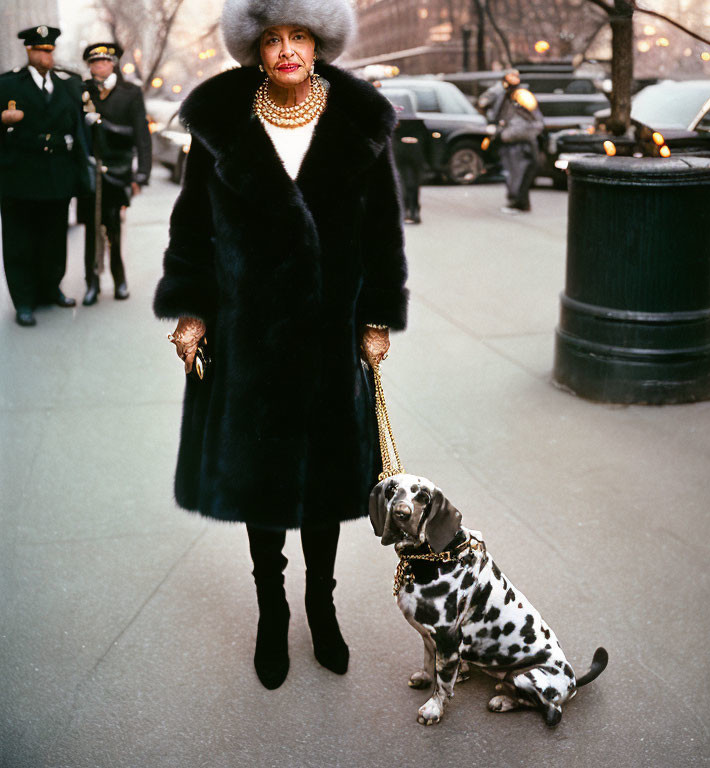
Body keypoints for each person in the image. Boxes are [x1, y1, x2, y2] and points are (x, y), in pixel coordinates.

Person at [153, 0, 409, 691]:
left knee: (325, 482)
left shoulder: (359, 123)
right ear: (255, 50)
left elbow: (384, 230)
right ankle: (272, 613)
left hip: (331, 333)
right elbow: (192, 230)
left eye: (299, 36)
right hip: (248, 334)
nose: (287, 49)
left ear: (320, 43)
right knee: (261, 482)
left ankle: (321, 611)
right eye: (273, 39)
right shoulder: (222, 125)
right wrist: (192, 312)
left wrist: (377, 316)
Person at [0, 25, 90, 327]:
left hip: (57, 178)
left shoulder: (67, 86)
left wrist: (80, 176)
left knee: (54, 240)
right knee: (19, 242)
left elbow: (78, 133)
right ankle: (24, 300)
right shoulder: (8, 85)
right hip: (19, 179)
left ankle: (51, 288)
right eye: (40, 50)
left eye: (50, 50)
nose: (46, 55)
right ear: (29, 51)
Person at [79, 43, 152, 305]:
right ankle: (92, 283)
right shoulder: (83, 90)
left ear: (113, 63)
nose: (99, 66)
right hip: (89, 171)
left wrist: (141, 173)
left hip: (118, 170)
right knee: (90, 228)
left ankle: (119, 279)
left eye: (104, 62)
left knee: (113, 228)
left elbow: (142, 134)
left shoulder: (130, 92)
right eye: (94, 63)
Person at [491, 70, 544, 214]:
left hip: (521, 143)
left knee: (518, 174)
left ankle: (519, 202)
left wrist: (506, 134)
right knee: (515, 174)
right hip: (515, 142)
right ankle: (518, 202)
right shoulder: (508, 98)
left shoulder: (520, 97)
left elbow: (534, 123)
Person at [390, 92, 429, 225]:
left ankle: (407, 210)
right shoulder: (418, 123)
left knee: (403, 182)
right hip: (415, 156)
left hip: (400, 155)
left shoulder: (394, 121)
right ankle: (414, 210)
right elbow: (426, 141)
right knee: (413, 183)